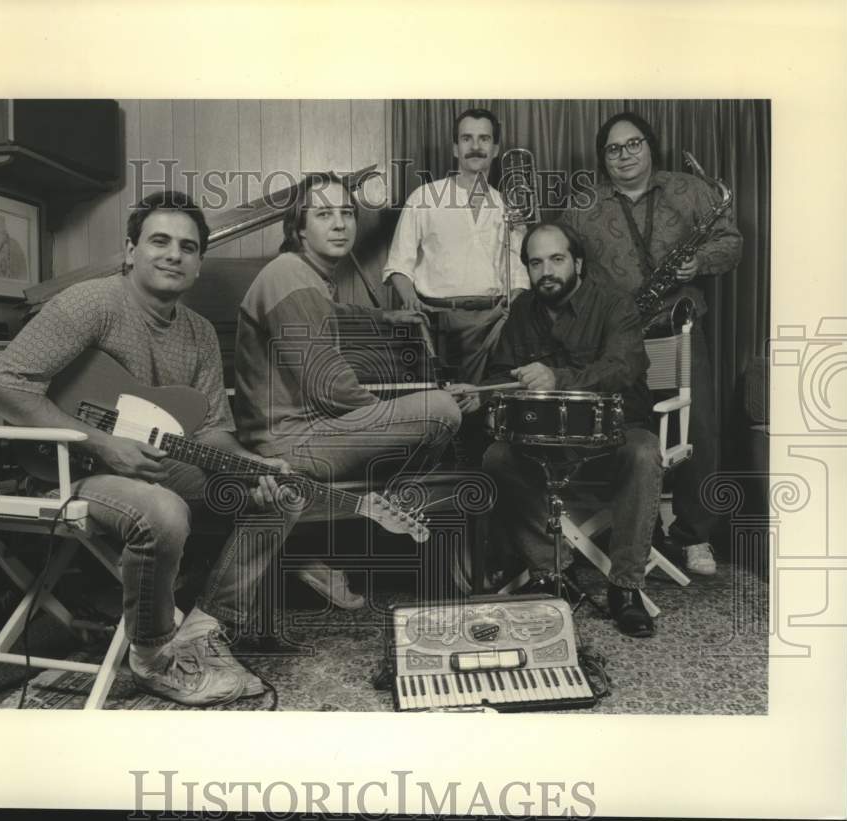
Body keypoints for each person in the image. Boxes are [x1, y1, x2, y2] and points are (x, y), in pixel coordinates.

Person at [0, 190, 297, 707]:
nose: (174, 254)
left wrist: (251, 465)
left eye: (188, 247)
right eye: (159, 241)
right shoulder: (91, 302)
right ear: (130, 251)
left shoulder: (197, 333)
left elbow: (213, 431)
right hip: (64, 467)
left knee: (283, 491)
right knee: (164, 513)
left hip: (155, 463)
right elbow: (2, 388)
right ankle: (152, 657)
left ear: (198, 264)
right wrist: (105, 446)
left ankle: (202, 629)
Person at [232, 173, 463, 607]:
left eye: (346, 213)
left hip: (296, 433)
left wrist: (383, 319)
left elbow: (329, 312)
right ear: (299, 228)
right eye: (323, 214)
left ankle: (309, 554)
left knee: (423, 414)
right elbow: (330, 385)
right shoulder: (290, 276)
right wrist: (391, 418)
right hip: (290, 444)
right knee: (443, 409)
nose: (340, 224)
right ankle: (381, 517)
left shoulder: (299, 275)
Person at [453, 222, 662, 638]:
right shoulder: (522, 314)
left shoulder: (616, 305)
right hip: (545, 444)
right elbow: (501, 374)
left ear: (578, 263)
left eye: (556, 259)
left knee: (645, 453)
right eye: (535, 262)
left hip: (615, 435)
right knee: (496, 457)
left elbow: (623, 368)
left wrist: (557, 378)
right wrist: (483, 395)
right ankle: (552, 571)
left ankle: (625, 587)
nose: (546, 271)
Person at [562, 112, 743, 576]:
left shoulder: (690, 190)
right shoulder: (583, 205)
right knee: (626, 432)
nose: (625, 155)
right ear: (603, 157)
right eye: (613, 149)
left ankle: (694, 536)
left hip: (674, 332)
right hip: (618, 340)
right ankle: (625, 532)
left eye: (633, 144)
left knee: (693, 431)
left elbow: (731, 243)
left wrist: (699, 260)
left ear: (650, 147)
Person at [382, 107, 530, 386]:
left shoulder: (510, 206)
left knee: (485, 410)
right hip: (436, 322)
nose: (476, 147)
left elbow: (519, 275)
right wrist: (412, 300)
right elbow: (398, 266)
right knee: (442, 408)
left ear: (496, 149)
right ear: (454, 147)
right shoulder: (424, 197)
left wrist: (506, 314)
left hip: (493, 324)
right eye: (467, 139)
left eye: (484, 139)